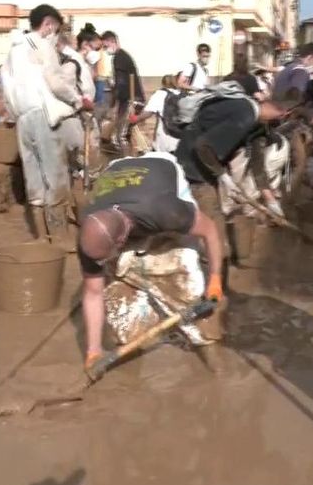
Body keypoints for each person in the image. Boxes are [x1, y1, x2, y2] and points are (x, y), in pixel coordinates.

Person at [78, 152, 225, 371]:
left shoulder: (167, 211)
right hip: (118, 173)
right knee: (119, 303)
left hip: (161, 170)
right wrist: (93, 350)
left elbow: (210, 231)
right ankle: (140, 340)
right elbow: (93, 293)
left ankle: (211, 355)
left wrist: (214, 277)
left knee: (186, 279)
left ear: (121, 240)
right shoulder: (89, 233)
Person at [174, 91, 286, 300]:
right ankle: (214, 295)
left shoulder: (255, 120)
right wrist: (223, 176)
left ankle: (217, 287)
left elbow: (257, 164)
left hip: (203, 168)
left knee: (208, 230)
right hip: (194, 171)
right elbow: (203, 147)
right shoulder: (244, 116)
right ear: (278, 112)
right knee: (214, 235)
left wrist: (270, 199)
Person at [0, 4, 93, 243]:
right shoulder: (42, 45)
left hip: (22, 120)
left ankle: (41, 238)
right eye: (56, 29)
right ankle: (61, 240)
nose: (56, 35)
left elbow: (7, 93)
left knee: (34, 179)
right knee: (56, 177)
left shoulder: (12, 53)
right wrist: (77, 101)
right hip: (43, 116)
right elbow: (55, 82)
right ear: (48, 24)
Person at [56, 32, 97, 181]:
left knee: (87, 147)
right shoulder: (71, 62)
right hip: (76, 110)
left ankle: (85, 174)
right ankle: (81, 176)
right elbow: (64, 88)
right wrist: (81, 101)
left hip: (84, 107)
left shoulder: (79, 61)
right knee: (78, 147)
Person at [101, 30, 144, 155]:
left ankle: (127, 163)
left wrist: (115, 104)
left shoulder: (119, 58)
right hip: (130, 99)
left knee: (120, 136)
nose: (105, 50)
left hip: (132, 100)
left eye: (105, 46)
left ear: (112, 42)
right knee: (121, 135)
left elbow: (122, 84)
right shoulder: (123, 56)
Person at [137, 74, 181, 153]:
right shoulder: (181, 94)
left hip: (164, 138)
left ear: (163, 83)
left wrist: (135, 118)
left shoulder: (159, 94)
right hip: (180, 138)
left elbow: (148, 113)